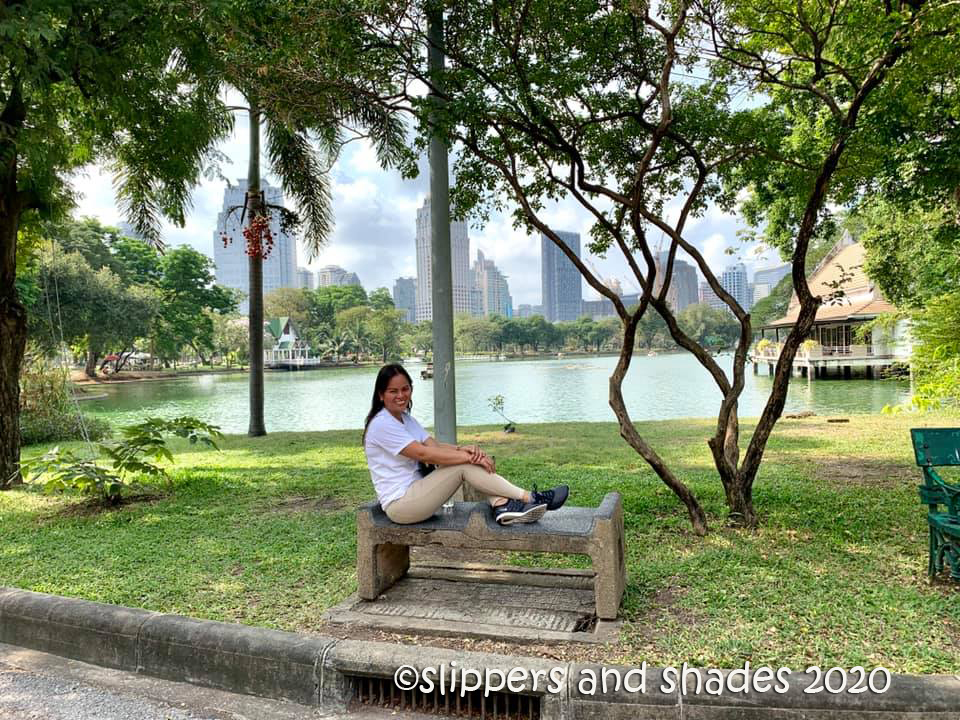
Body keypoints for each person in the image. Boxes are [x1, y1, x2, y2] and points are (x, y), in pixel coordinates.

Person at [363, 363, 568, 525]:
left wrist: (464, 449)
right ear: (381, 395)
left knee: (465, 461)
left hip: (418, 494)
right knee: (463, 465)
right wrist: (468, 458)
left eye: (405, 389)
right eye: (393, 391)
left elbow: (433, 446)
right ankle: (531, 498)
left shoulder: (405, 419)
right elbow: (425, 455)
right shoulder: (382, 424)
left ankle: (502, 505)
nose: (401, 396)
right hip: (402, 506)